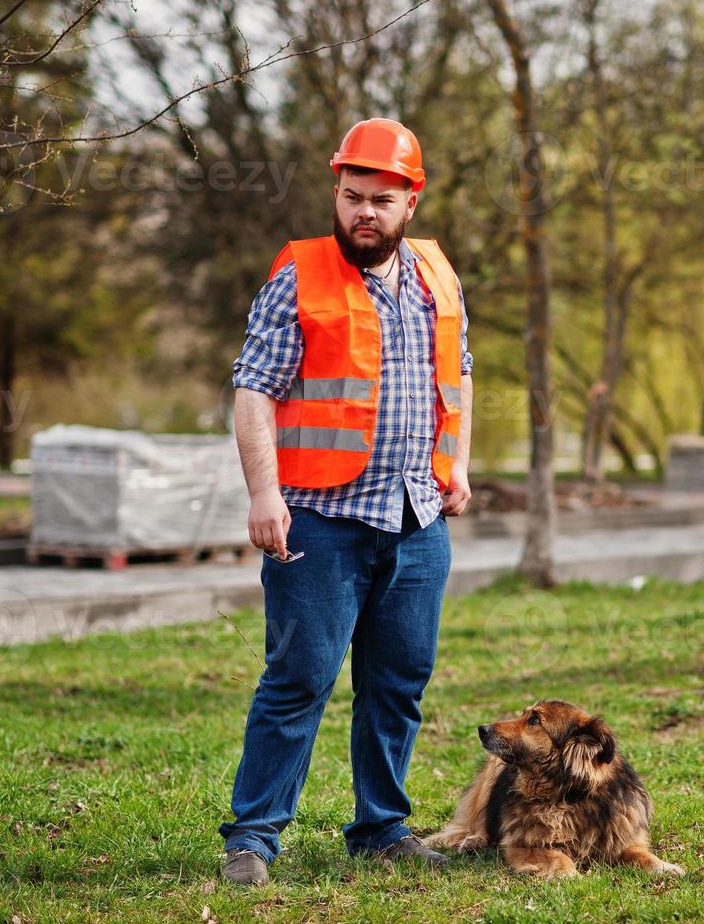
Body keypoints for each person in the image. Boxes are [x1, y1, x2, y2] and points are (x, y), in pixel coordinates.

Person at [217, 118, 474, 885]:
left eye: (381, 200)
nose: (364, 212)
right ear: (336, 192)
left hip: (416, 519)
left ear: (411, 203)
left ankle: (381, 828)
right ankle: (253, 840)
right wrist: (264, 492)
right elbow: (253, 389)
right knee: (298, 681)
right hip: (319, 521)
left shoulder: (436, 274)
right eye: (351, 196)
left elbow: (458, 372)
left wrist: (456, 463)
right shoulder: (299, 274)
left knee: (398, 685)